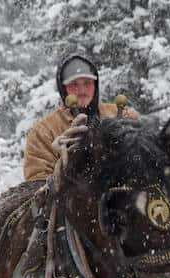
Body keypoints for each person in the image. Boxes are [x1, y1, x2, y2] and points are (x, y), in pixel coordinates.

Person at [23, 54, 139, 182]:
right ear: (63, 89)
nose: (82, 90)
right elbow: (37, 185)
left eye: (87, 83)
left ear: (95, 85)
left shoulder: (125, 116)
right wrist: (65, 166)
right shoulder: (43, 132)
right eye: (74, 84)